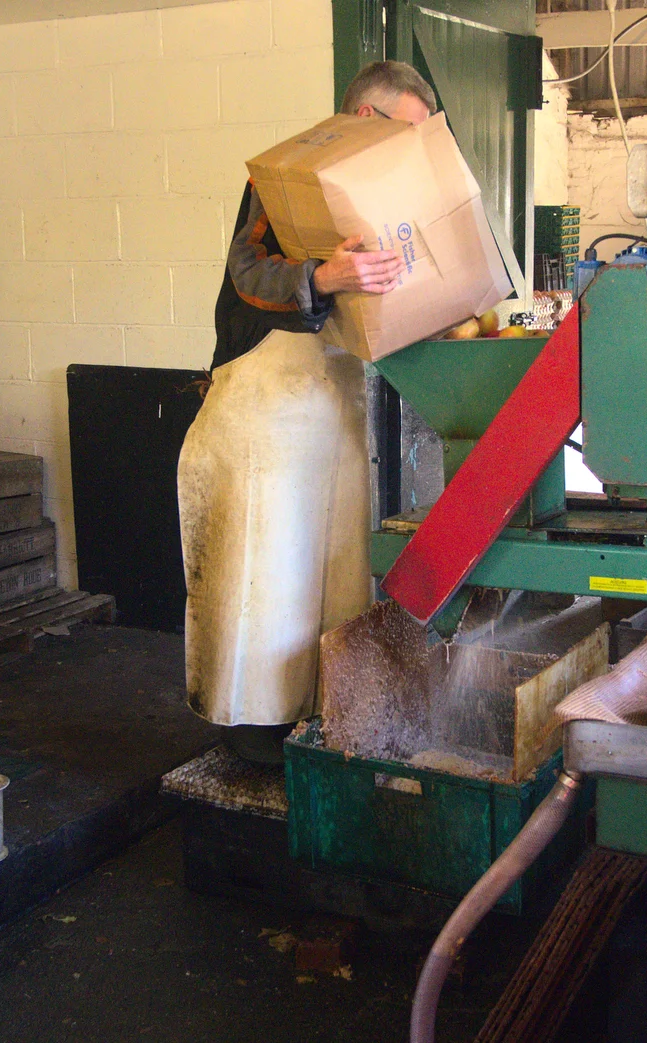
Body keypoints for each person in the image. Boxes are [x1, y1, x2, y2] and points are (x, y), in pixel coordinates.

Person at [178, 61, 438, 763]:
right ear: (365, 117)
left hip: (341, 402)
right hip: (269, 400)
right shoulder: (288, 175)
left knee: (341, 565)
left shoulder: (397, 197)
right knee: (266, 567)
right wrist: (327, 276)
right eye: (406, 132)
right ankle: (254, 730)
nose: (415, 151)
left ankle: (326, 717)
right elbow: (247, 269)